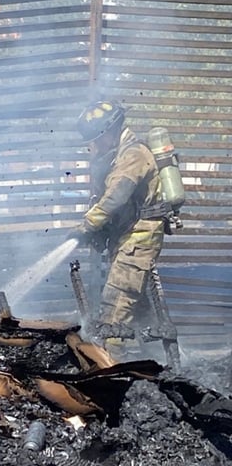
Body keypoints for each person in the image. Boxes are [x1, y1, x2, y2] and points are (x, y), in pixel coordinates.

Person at [67, 100, 170, 353]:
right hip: (128, 238)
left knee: (116, 306)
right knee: (137, 305)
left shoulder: (134, 155)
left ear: (110, 131)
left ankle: (110, 362)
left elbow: (116, 197)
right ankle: (159, 360)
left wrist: (87, 226)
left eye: (97, 140)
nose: (94, 146)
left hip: (139, 239)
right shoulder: (118, 156)